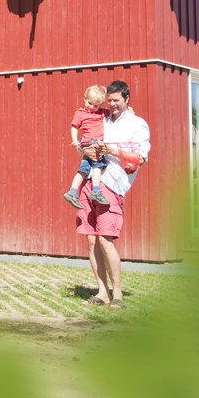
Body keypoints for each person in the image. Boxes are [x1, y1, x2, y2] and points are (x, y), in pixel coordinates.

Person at [77, 80, 149, 310]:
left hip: (113, 183)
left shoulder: (137, 124)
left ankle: (117, 293)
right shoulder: (102, 118)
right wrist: (84, 146)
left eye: (117, 100)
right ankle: (102, 292)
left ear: (127, 99)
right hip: (90, 180)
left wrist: (112, 150)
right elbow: (84, 136)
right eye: (110, 100)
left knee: (105, 239)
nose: (112, 104)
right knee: (90, 239)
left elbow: (141, 157)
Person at [63, 85, 111, 209]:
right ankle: (96, 191)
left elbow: (115, 112)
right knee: (98, 166)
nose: (92, 107)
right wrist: (75, 141)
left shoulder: (103, 113)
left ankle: (72, 192)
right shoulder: (80, 113)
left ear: (100, 105)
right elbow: (74, 126)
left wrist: (127, 111)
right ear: (85, 99)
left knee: (83, 170)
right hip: (92, 145)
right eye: (89, 103)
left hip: (88, 146)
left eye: (96, 106)